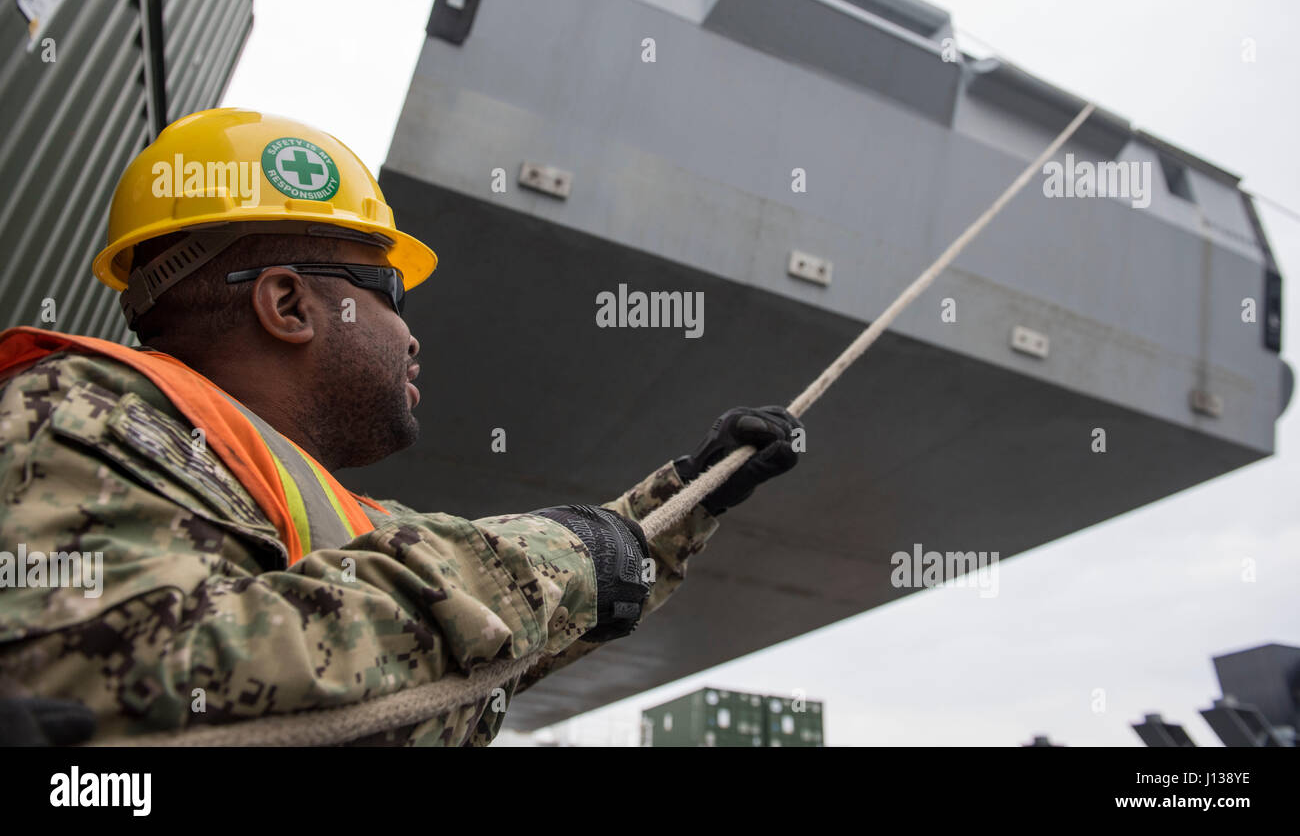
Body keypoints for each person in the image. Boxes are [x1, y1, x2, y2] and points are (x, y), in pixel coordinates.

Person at [0, 108, 803, 746]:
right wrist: (566, 553)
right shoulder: (76, 420)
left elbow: (489, 634)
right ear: (287, 304)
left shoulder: (311, 513)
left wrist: (697, 491)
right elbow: (117, 681)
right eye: (391, 291)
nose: (411, 334)